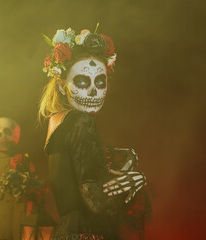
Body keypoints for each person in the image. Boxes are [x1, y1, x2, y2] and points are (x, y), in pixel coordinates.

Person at [39, 27, 150, 240]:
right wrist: (133, 180)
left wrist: (117, 163)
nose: (93, 91)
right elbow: (96, 201)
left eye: (100, 82)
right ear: (62, 86)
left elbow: (78, 184)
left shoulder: (59, 121)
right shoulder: (81, 121)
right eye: (82, 82)